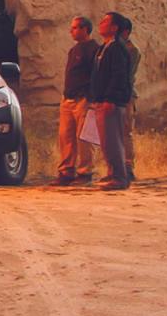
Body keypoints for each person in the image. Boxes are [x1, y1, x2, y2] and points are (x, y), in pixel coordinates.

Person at [88, 11, 136, 190]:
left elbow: (118, 76)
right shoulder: (104, 47)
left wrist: (110, 98)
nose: (101, 23)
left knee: (113, 140)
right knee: (106, 141)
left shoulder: (117, 48)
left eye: (105, 21)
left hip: (112, 103)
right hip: (102, 101)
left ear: (114, 27)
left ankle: (119, 177)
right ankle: (112, 173)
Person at [54, 16, 98, 184]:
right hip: (68, 99)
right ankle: (66, 171)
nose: (71, 31)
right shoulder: (74, 50)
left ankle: (85, 172)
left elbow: (96, 75)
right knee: (66, 136)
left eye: (74, 28)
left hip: (83, 99)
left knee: (84, 138)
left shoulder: (94, 49)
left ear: (85, 29)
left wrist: (90, 97)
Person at [122, 20, 142, 182]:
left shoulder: (131, 50)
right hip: (121, 95)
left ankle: (128, 167)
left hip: (126, 95)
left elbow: (126, 75)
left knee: (125, 133)